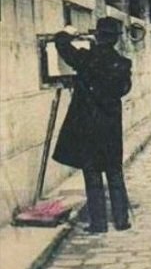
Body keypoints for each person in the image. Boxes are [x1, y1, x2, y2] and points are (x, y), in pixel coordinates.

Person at [52, 17, 134, 233]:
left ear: (98, 36)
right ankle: (122, 220)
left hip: (88, 126)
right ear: (115, 39)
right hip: (110, 127)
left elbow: (62, 46)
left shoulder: (86, 58)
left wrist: (67, 33)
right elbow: (124, 90)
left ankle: (98, 224)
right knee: (115, 172)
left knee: (92, 173)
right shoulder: (123, 64)